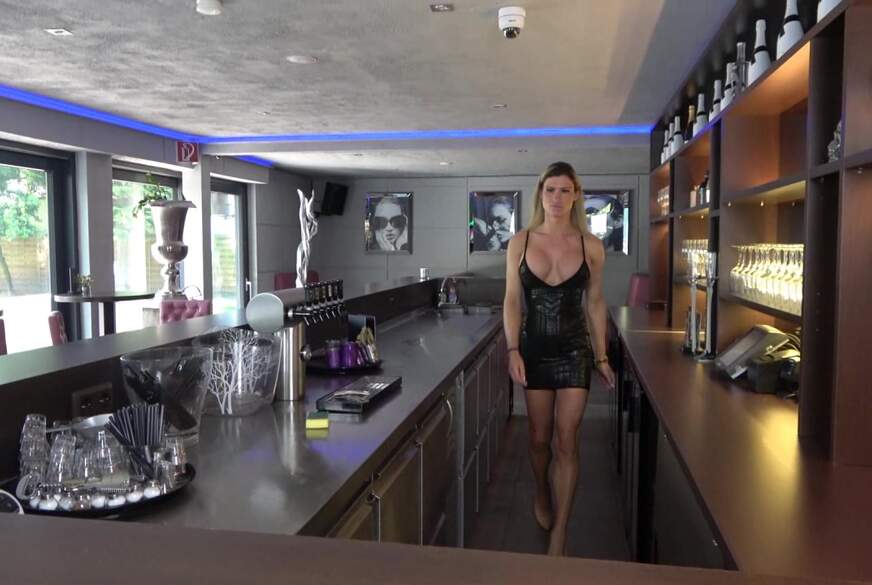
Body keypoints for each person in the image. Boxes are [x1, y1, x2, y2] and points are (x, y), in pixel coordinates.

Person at [502, 161, 616, 556]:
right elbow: (512, 300)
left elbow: (595, 302)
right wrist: (512, 349)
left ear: (576, 195)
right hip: (533, 349)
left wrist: (601, 357)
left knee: (567, 441)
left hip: (573, 350)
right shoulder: (520, 242)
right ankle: (541, 490)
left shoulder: (591, 246)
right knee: (539, 440)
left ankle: (560, 534)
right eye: (550, 189)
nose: (556, 197)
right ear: (541, 193)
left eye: (565, 190)